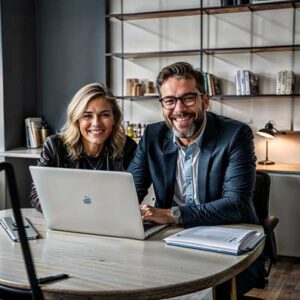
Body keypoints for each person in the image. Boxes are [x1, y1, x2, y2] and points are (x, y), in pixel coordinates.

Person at [127, 62, 265, 299]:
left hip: (223, 242)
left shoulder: (235, 135)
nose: (179, 109)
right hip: (167, 242)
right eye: (169, 100)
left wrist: (173, 214)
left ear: (205, 100)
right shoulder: (151, 136)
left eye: (188, 98)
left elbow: (236, 205)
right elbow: (128, 191)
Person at [30, 82, 137, 211]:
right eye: (87, 116)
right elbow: (37, 195)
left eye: (104, 115)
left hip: (109, 221)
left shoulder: (127, 147)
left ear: (114, 119)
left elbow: (133, 194)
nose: (96, 123)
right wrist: (72, 212)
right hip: (68, 219)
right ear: (77, 119)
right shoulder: (55, 146)